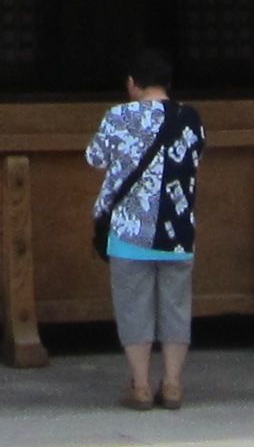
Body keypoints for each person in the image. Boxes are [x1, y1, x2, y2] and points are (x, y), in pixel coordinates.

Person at [86, 49, 206, 411]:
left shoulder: (119, 116)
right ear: (169, 83)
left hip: (129, 230)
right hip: (178, 229)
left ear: (132, 84)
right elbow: (196, 159)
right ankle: (172, 385)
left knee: (134, 308)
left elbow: (94, 158)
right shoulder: (190, 118)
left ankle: (140, 385)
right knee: (175, 308)